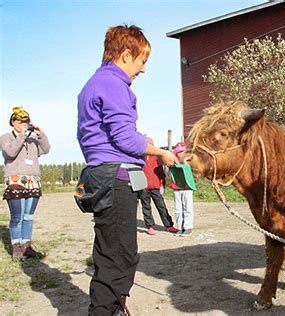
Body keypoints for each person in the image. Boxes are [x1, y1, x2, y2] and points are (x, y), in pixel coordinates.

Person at [76, 24, 176, 316]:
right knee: (119, 256)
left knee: (111, 251)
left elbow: (103, 135)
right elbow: (123, 138)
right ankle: (107, 311)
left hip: (103, 174)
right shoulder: (113, 84)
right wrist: (159, 152)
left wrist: (138, 141)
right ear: (126, 54)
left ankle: (112, 307)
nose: (143, 69)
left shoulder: (94, 83)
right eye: (142, 61)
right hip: (116, 179)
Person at [0, 106, 50, 260]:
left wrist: (40, 134)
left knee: (28, 216)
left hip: (33, 180)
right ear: (13, 122)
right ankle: (16, 247)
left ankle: (27, 246)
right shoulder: (6, 137)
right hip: (15, 180)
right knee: (17, 216)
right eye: (20, 121)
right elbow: (10, 152)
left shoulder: (32, 138)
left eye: (26, 121)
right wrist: (22, 136)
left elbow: (46, 149)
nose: (23, 123)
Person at [140, 136, 179, 235]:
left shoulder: (156, 157)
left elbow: (161, 172)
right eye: (147, 144)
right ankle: (149, 226)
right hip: (144, 187)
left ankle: (169, 225)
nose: (149, 145)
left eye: (150, 144)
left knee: (161, 206)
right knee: (146, 207)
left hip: (156, 186)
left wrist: (162, 184)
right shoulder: (140, 157)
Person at [170, 143, 194, 237]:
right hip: (176, 187)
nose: (181, 153)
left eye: (182, 151)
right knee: (178, 209)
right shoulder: (173, 161)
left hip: (187, 187)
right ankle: (179, 227)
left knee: (187, 207)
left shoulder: (188, 161)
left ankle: (187, 227)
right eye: (179, 151)